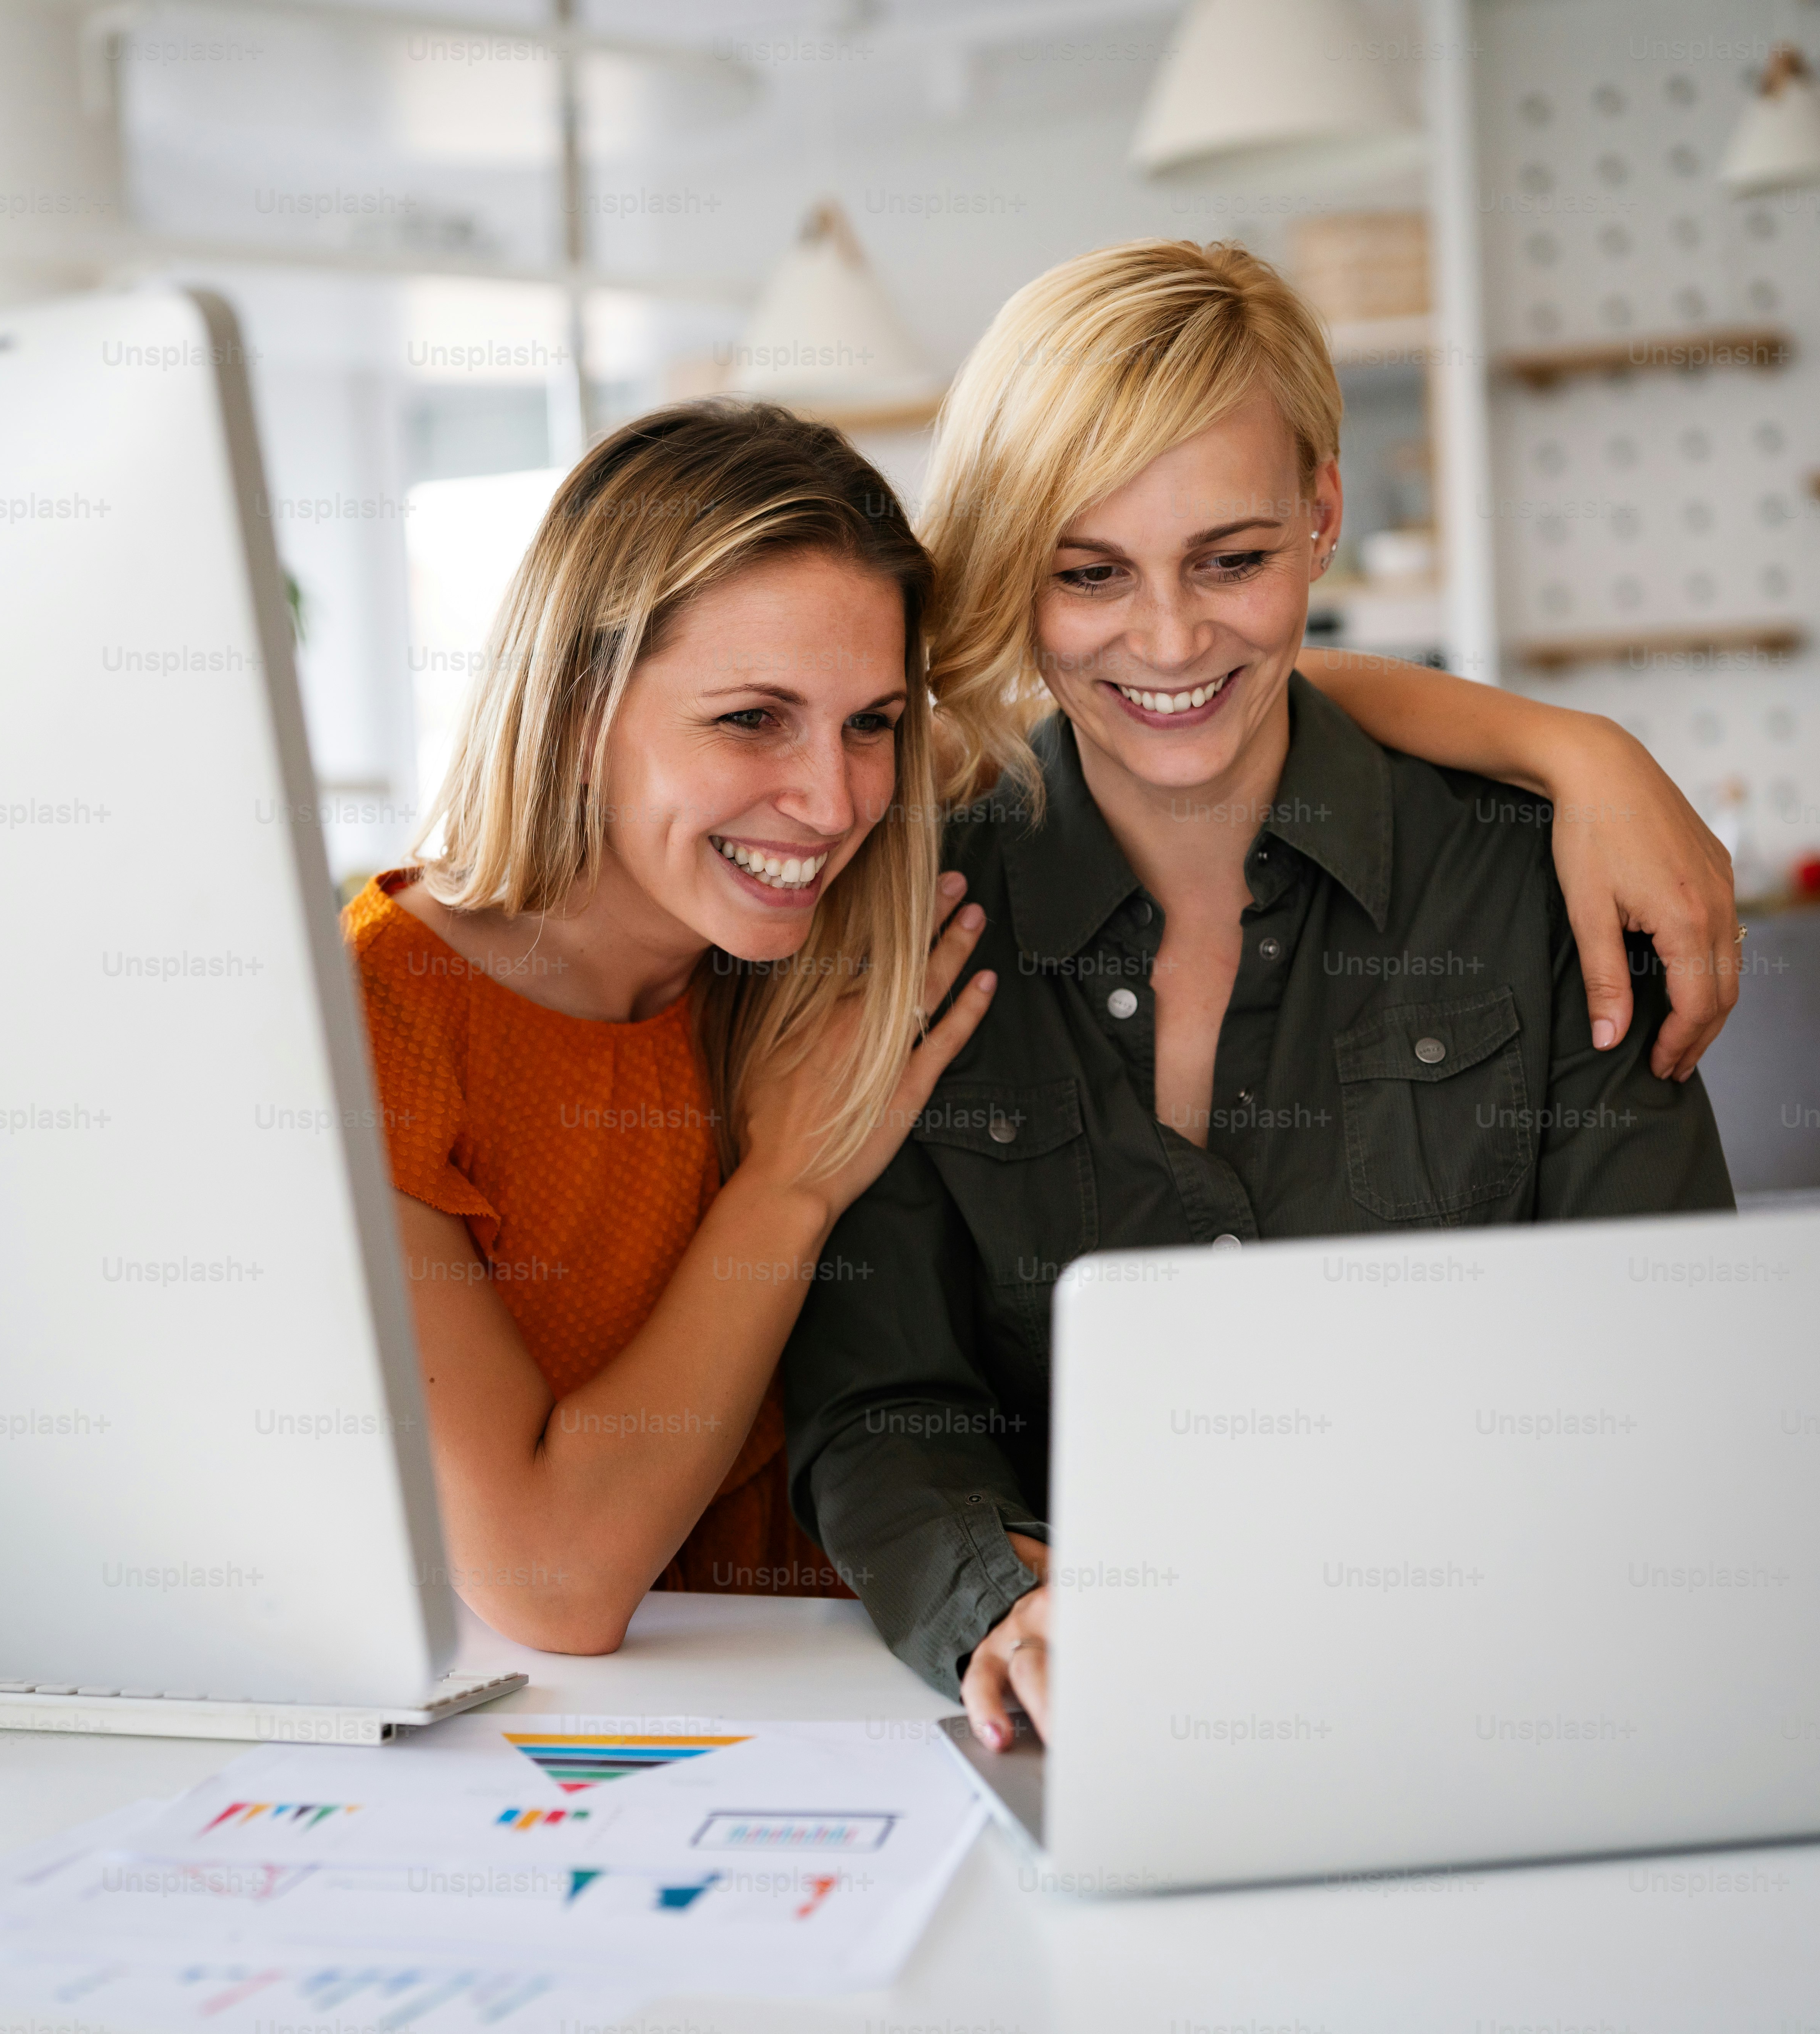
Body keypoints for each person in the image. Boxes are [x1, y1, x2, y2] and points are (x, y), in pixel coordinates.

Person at [355, 392, 1734, 1660]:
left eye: (873, 723)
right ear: (579, 697)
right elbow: (555, 1583)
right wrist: (787, 1184)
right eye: (751, 719)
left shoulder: (838, 907)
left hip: (888, 1671)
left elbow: (1186, 697)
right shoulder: (387, 1015)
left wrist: (1576, 748)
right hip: (682, 1708)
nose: (830, 801)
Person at [779, 239, 1738, 1738]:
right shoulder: (915, 913)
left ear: (1321, 518)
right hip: (1110, 1720)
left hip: (1508, 1684)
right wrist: (1001, 1600)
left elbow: (1668, 1365)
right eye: (1085, 575)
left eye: (1229, 560)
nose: (1167, 642)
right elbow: (883, 1403)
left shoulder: (1536, 889)